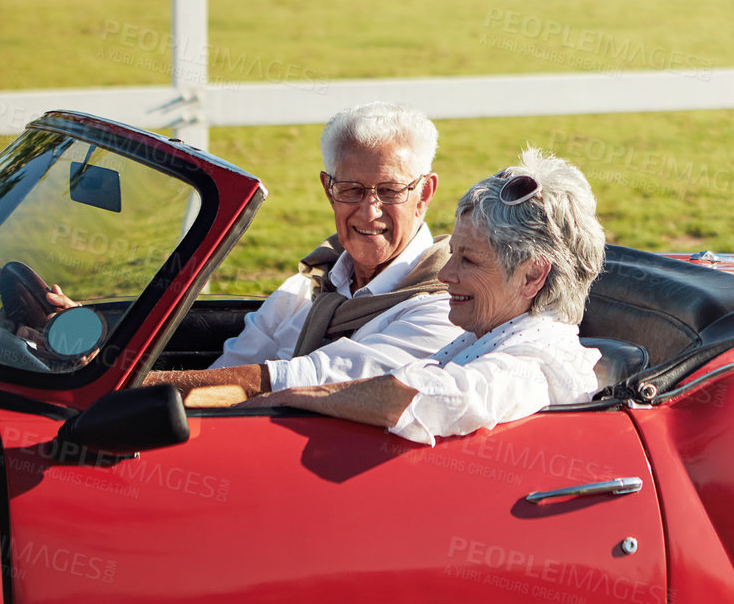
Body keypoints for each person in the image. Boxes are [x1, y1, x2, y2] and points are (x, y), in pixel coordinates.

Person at [229, 147, 605, 445]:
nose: (445, 274)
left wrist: (284, 399)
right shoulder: (488, 335)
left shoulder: (537, 362)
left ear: (533, 275)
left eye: (468, 260)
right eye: (452, 252)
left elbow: (433, 398)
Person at [147, 102, 460, 401]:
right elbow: (227, 371)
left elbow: (318, 378)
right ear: (329, 189)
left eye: (390, 191)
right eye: (351, 190)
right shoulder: (308, 284)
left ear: (424, 193)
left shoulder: (449, 303)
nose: (368, 213)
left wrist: (147, 386)